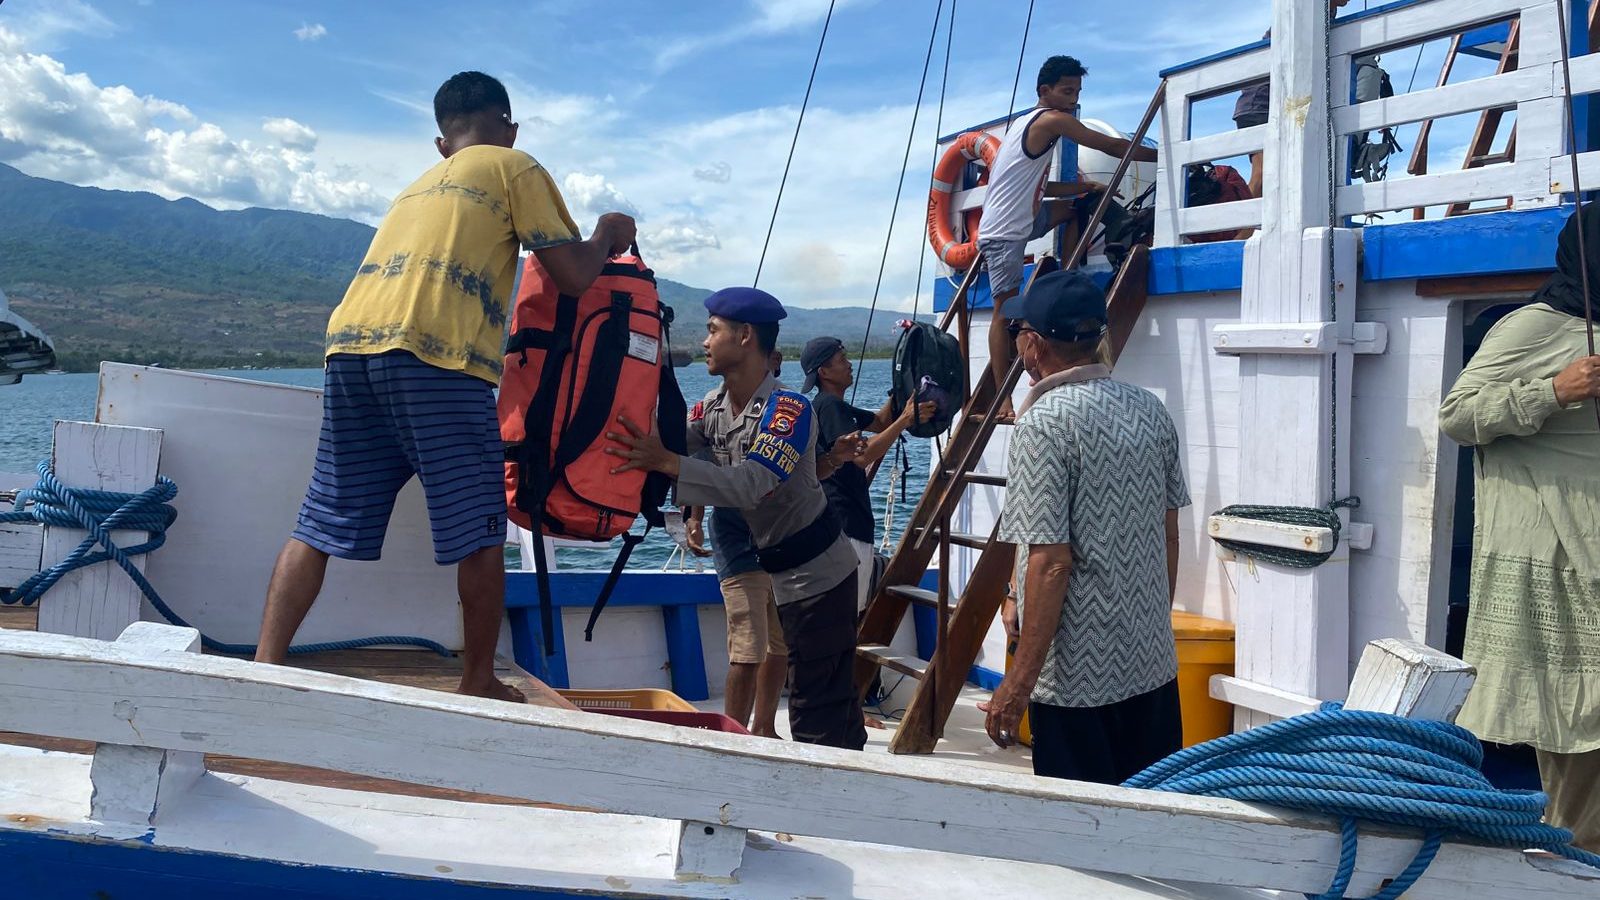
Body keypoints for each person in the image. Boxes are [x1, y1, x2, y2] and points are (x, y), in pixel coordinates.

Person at [254, 71, 636, 701]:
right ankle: (478, 680)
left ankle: (264, 666)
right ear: (510, 127)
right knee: (480, 527)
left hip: (349, 349)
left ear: (442, 143)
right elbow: (572, 276)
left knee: (320, 520)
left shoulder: (415, 188)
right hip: (437, 355)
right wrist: (605, 234)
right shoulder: (514, 166)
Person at [607, 287, 869, 750]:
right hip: (784, 570)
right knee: (826, 699)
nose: (705, 341)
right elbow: (669, 441)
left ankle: (834, 789)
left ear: (745, 335)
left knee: (816, 711)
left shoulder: (790, 411)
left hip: (820, 577)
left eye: (713, 331)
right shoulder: (713, 407)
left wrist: (667, 462)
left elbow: (752, 483)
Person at [982, 270, 1189, 785]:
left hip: (1076, 684)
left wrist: (1017, 684)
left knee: (1082, 825)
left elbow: (1051, 563)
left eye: (1018, 333)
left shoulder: (1043, 424)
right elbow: (1168, 534)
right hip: (1151, 667)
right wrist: (1146, 631)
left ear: (1033, 346)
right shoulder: (1150, 409)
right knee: (1148, 809)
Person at [1440, 202, 1600, 852]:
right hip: (1558, 565)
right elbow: (1457, 415)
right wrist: (1555, 390)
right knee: (1575, 727)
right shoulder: (1533, 326)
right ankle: (1574, 865)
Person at [978, 55, 1158, 418]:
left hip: (1028, 217)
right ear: (1044, 91)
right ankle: (1003, 399)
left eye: (1077, 92)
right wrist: (1162, 155)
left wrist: (1083, 187)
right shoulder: (1051, 120)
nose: (1073, 99)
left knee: (1080, 205)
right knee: (1002, 313)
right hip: (1005, 232)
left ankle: (1073, 271)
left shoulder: (1023, 123)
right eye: (1066, 91)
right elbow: (1110, 146)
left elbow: (1039, 185)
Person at [681, 350, 791, 737]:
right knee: (748, 646)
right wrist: (694, 519)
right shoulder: (711, 408)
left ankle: (764, 728)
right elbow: (700, 464)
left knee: (780, 641)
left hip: (780, 541)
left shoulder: (789, 409)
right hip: (735, 539)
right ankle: (734, 737)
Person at [799, 336, 936, 612]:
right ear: (824, 372)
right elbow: (861, 456)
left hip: (837, 528)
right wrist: (906, 420)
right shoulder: (830, 405)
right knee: (845, 617)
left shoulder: (830, 406)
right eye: (842, 360)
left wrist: (901, 387)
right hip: (845, 527)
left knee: (841, 615)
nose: (849, 364)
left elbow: (881, 422)